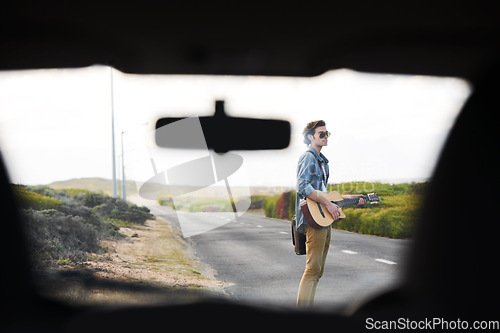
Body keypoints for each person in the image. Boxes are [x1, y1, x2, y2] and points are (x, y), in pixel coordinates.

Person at [295, 120, 365, 307]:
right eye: (321, 134)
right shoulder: (309, 157)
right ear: (310, 137)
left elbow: (327, 195)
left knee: (318, 271)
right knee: (312, 270)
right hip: (313, 221)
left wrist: (352, 197)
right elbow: (303, 186)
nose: (326, 137)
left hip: (323, 220)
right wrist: (327, 203)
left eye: (327, 134)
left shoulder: (322, 162)